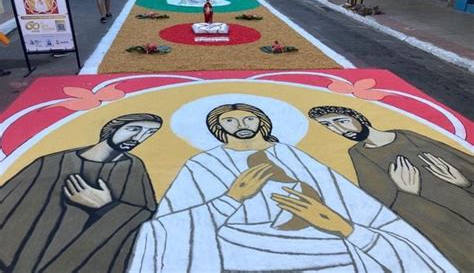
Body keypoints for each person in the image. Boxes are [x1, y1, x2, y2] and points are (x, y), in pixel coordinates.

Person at [129, 103, 455, 272]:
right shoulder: (202, 164)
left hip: (320, 242)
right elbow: (165, 228)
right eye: (230, 121)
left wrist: (342, 226)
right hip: (240, 249)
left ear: (261, 123)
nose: (240, 125)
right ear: (218, 129)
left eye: (248, 119)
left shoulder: (289, 154)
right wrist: (229, 200)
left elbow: (344, 195)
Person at [309, 105, 474, 271]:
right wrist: (408, 195)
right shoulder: (359, 155)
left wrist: (464, 183)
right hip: (448, 231)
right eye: (328, 125)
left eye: (341, 121)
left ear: (358, 117)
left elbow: (464, 162)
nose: (338, 129)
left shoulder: (405, 136)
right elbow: (380, 209)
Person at [0, 113, 162, 272]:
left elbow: (149, 221)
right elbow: (8, 205)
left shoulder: (134, 169)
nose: (138, 137)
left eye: (149, 133)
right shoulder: (50, 163)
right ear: (112, 129)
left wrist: (107, 207)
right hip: (30, 255)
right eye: (134, 129)